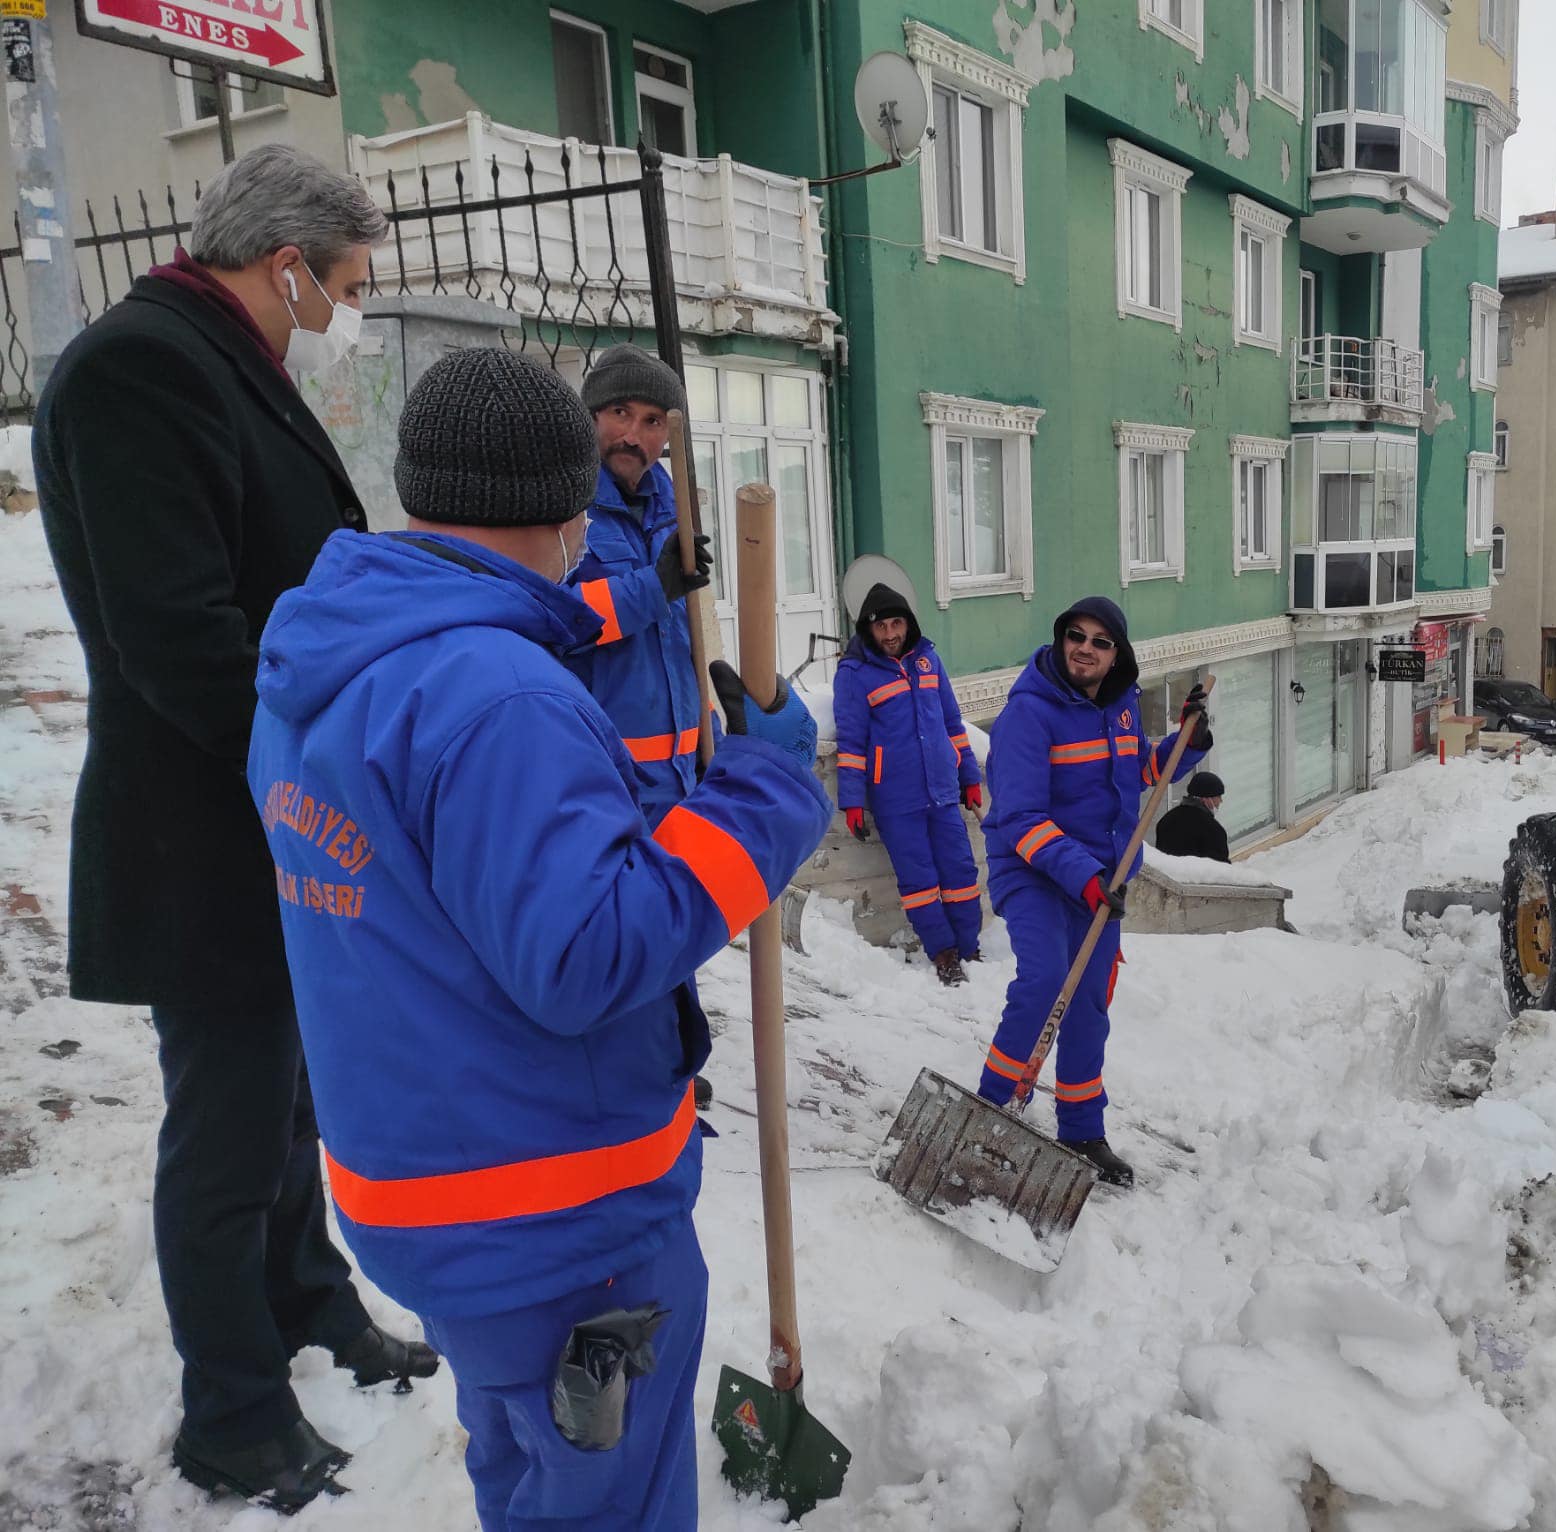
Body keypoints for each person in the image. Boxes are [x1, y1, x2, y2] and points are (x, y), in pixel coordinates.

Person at [245, 347, 831, 1529]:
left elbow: (459, 903)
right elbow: (586, 953)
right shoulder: (493, 697)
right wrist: (767, 788)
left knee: (528, 1477)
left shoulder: (329, 662)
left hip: (435, 1198)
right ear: (566, 510)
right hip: (561, 1232)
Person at [33, 143, 438, 1509]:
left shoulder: (218, 361)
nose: (352, 313)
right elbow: (181, 638)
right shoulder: (140, 368)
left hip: (264, 817)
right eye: (349, 286)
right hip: (199, 829)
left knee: (288, 1100)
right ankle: (235, 1411)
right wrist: (319, 780)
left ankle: (310, 1301)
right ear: (287, 268)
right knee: (224, 1131)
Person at [976, 599, 1212, 1186]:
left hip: (1101, 880)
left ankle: (1082, 1129)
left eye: (1101, 642)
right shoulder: (1027, 716)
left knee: (1088, 1006)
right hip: (1033, 871)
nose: (1085, 648)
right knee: (1045, 981)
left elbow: (1137, 774)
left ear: (1116, 656)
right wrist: (1083, 877)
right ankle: (990, 1112)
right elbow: (1022, 819)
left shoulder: (1120, 706)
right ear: (1061, 642)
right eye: (1075, 636)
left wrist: (1189, 740)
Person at [564, 344, 713, 821]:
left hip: (684, 777)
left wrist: (712, 738)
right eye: (620, 413)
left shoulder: (672, 507)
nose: (633, 435)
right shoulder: (562, 509)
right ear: (590, 416)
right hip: (605, 779)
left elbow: (682, 640)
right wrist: (655, 586)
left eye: (652, 421)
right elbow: (554, 619)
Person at [833, 581, 985, 985]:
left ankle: (970, 945)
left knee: (960, 871)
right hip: (895, 797)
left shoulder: (927, 661)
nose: (889, 635)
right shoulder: (854, 674)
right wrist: (851, 800)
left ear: (908, 624)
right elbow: (851, 743)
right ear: (868, 630)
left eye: (896, 624)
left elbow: (953, 724)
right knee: (919, 882)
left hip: (942, 789)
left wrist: (969, 775)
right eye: (881, 627)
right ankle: (944, 953)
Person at [1156, 771, 1230, 863]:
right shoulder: (1213, 830)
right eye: (1218, 796)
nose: (1220, 801)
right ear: (1206, 798)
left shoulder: (1167, 820)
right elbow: (1222, 869)